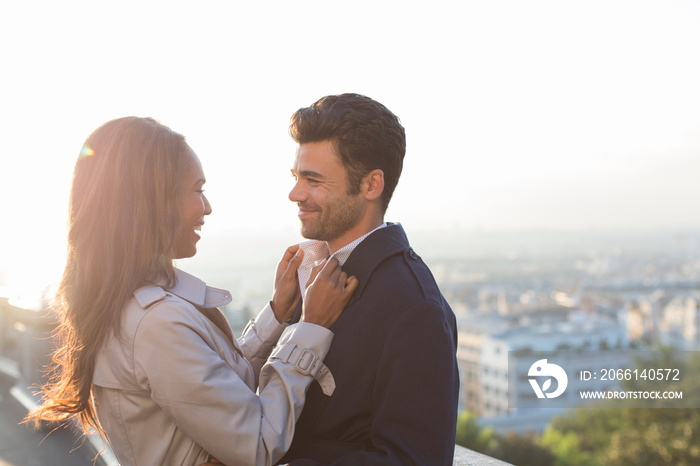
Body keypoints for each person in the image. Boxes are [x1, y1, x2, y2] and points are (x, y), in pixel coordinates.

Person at [26, 116, 358, 466]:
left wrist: (277, 313)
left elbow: (216, 386)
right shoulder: (155, 323)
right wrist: (311, 328)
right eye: (198, 190)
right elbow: (259, 442)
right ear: (152, 201)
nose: (207, 207)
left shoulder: (135, 304)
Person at [279, 94, 459, 465]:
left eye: (313, 180)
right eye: (297, 176)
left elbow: (413, 459)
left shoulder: (414, 307)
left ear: (371, 185)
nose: (295, 193)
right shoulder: (309, 272)